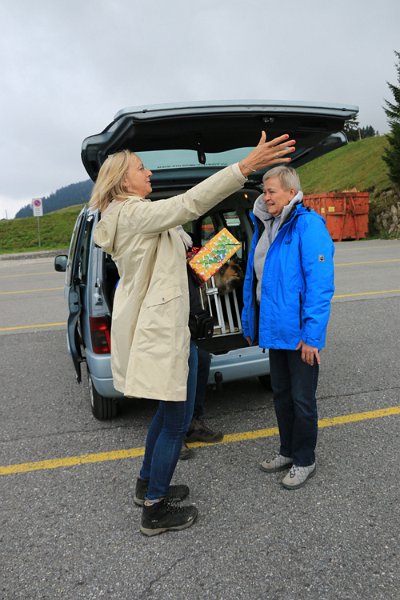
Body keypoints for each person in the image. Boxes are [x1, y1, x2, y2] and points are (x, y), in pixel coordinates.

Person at [90, 132, 296, 536]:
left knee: (169, 414)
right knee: (176, 420)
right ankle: (155, 508)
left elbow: (187, 262)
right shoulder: (130, 214)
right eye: (141, 168)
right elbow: (187, 205)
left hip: (174, 329)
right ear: (121, 180)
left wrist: (223, 249)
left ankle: (146, 483)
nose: (148, 172)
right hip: (164, 332)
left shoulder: (137, 214)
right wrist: (244, 167)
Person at [242, 166, 334, 490]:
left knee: (302, 399)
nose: (265, 196)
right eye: (263, 191)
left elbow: (320, 286)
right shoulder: (265, 227)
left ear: (290, 191)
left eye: (271, 191)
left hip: (299, 336)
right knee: (281, 395)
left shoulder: (307, 225)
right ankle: (287, 450)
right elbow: (256, 281)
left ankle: (305, 458)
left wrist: (312, 337)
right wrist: (250, 321)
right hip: (275, 330)